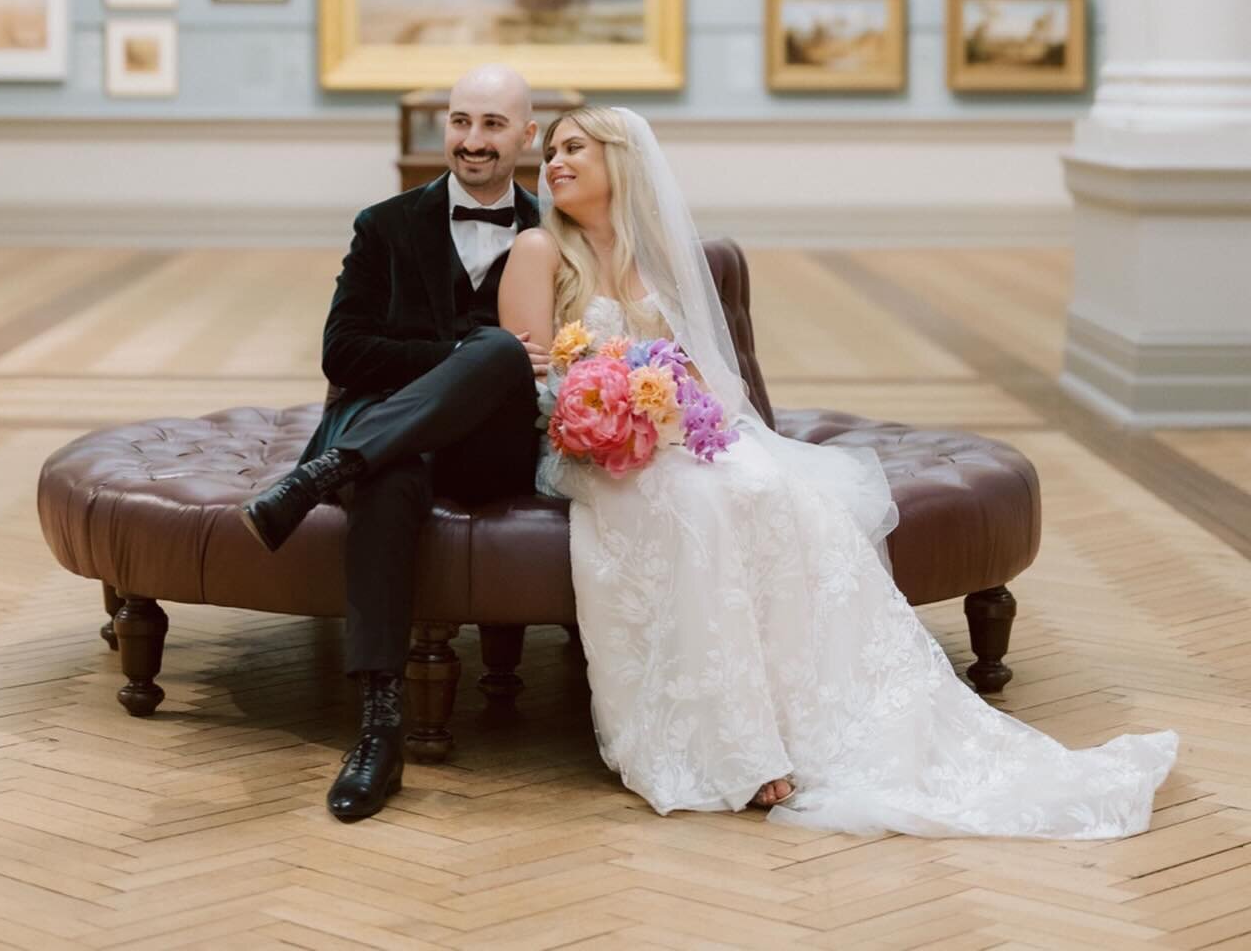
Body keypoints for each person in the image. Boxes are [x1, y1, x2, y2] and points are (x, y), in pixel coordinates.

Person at [497, 105, 1180, 837]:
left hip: (667, 436)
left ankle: (815, 716)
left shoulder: (656, 254)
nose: (555, 161)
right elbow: (523, 377)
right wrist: (611, 413)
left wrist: (669, 409)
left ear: (620, 162)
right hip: (587, 450)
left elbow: (702, 374)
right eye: (555, 149)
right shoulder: (539, 248)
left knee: (771, 489)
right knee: (693, 506)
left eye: (575, 148)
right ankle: (737, 747)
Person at [239, 64, 543, 822]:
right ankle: (380, 726)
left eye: (493, 125)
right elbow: (343, 352)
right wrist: (462, 357)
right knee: (398, 466)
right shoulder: (384, 224)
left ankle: (324, 471)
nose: (473, 141)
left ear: (527, 136)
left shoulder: (554, 233)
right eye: (461, 121)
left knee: (503, 354)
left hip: (491, 452)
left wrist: (484, 359)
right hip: (394, 444)